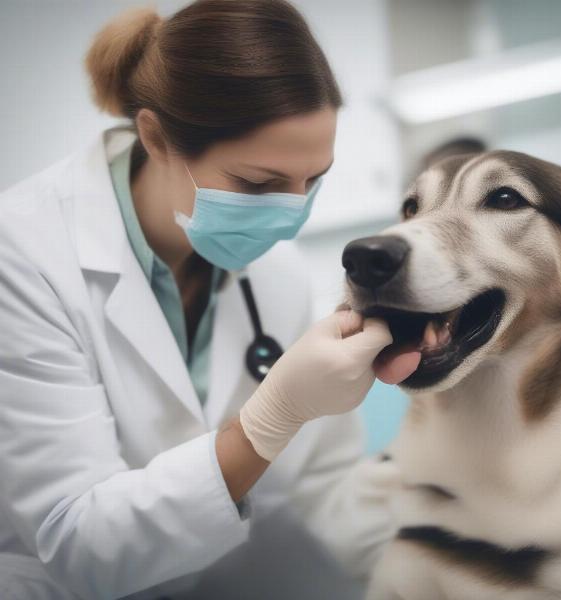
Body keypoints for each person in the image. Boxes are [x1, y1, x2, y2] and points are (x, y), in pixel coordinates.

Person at [0, 2, 420, 599]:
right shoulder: (23, 253)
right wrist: (273, 417)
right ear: (155, 137)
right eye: (258, 184)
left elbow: (323, 494)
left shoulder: (279, 273)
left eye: (313, 180)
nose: (291, 213)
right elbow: (76, 543)